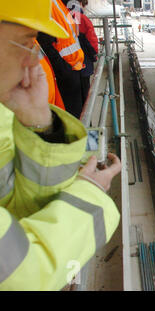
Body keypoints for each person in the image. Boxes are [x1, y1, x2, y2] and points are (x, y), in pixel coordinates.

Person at [0, 0, 121, 290]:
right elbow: (22, 276)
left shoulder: (4, 113)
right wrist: (89, 196)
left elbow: (19, 212)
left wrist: (39, 124)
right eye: (24, 43)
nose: (34, 59)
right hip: (74, 76)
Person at [37, 0, 85, 119]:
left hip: (75, 67)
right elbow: (45, 42)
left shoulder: (62, 4)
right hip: (66, 72)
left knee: (81, 113)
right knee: (72, 116)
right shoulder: (50, 5)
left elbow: (74, 33)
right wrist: (65, 69)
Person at [65, 0, 99, 105]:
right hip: (83, 64)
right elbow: (91, 41)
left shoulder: (62, 14)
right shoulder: (79, 17)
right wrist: (94, 56)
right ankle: (85, 120)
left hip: (66, 66)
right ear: (80, 3)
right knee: (85, 100)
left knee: (70, 99)